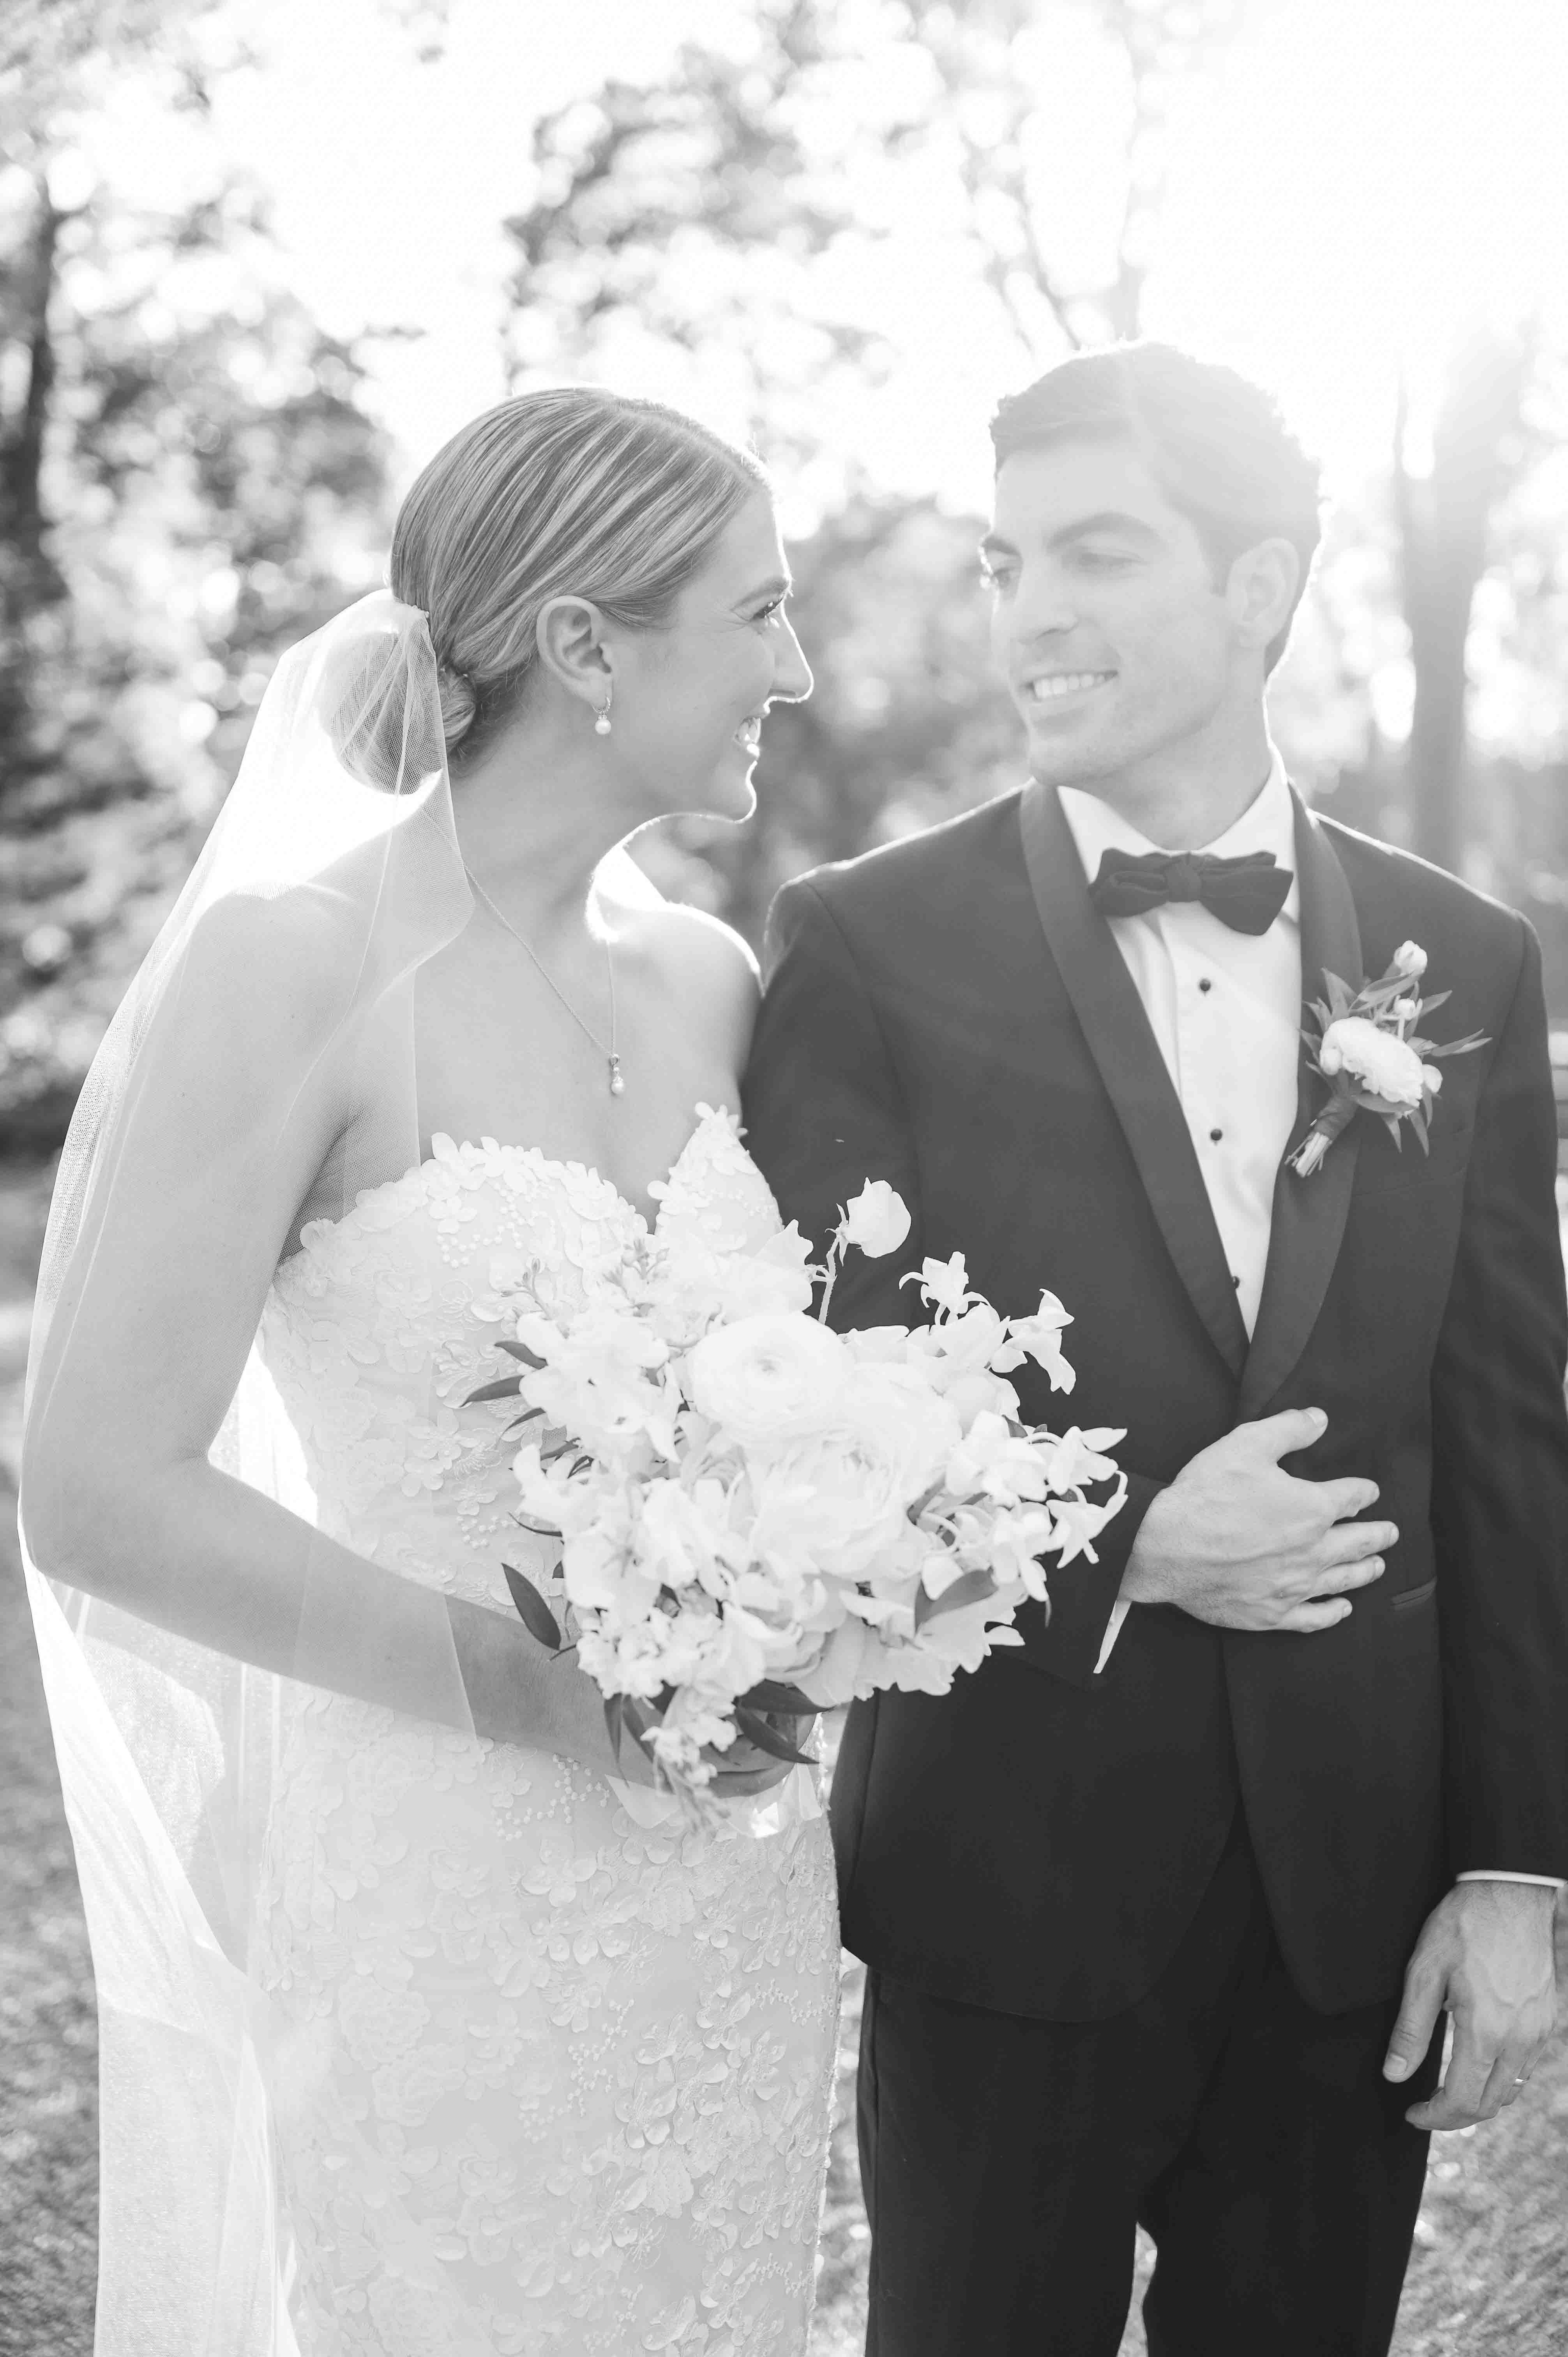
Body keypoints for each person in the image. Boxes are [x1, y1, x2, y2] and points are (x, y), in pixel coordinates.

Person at [742, 342, 1568, 2357]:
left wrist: (1515, 1874)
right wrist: (1121, 1545)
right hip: (999, 1879)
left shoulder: (1460, 964)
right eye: (1007, 559)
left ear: (1259, 586)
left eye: (1094, 554)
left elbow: (1505, 1436)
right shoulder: (861, 947)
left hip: (1345, 1904)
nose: (1029, 614)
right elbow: (800, 1428)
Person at [20, 388, 837, 2354]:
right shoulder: (294, 965)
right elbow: (96, 1488)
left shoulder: (710, 978)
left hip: (728, 1887)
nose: (797, 669)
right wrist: (531, 1693)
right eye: (756, 611)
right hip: (442, 1871)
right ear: (580, 645)